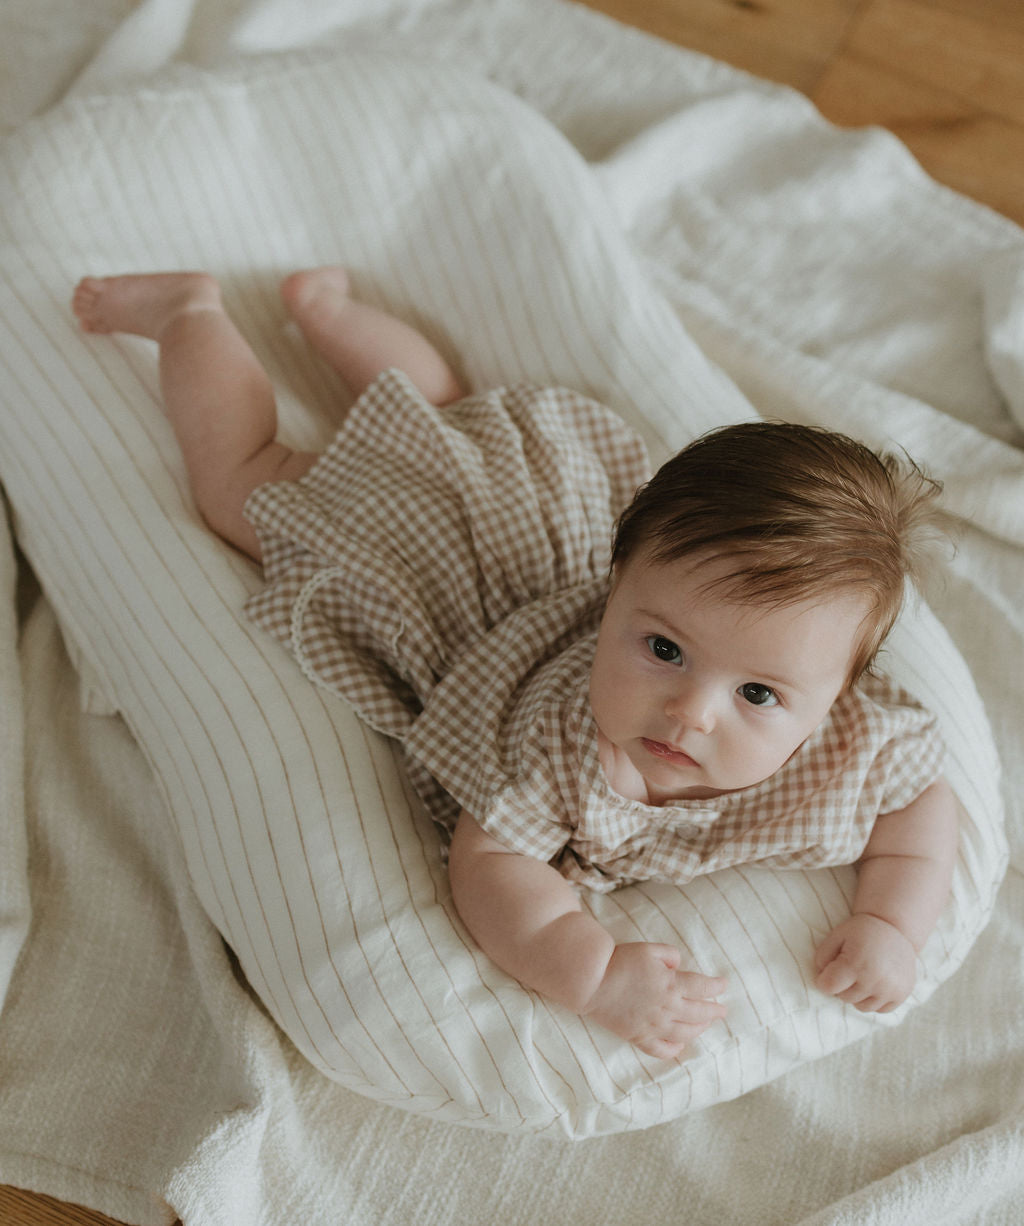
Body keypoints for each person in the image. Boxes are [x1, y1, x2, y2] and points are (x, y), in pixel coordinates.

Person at [72, 268, 959, 1060]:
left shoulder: (854, 743)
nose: (691, 712)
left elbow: (922, 797)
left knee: (452, 409)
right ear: (616, 590)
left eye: (759, 694)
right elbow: (490, 868)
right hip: (426, 567)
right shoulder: (556, 747)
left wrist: (891, 922)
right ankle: (190, 312)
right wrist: (596, 974)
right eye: (661, 649)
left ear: (840, 696)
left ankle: (327, 310)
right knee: (250, 482)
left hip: (526, 512)